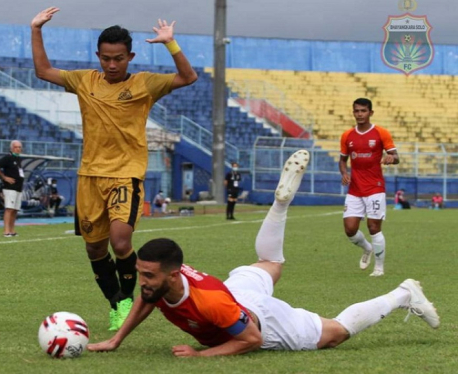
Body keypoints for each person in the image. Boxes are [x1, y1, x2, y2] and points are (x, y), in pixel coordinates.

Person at [88, 150, 439, 357]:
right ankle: (280, 205)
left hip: (258, 317)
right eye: (142, 273)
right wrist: (116, 340)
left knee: (335, 333)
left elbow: (252, 340)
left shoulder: (210, 303)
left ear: (174, 274)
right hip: (234, 290)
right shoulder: (162, 281)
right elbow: (148, 300)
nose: (141, 282)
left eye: (148, 276)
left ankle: (404, 292)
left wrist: (201, 354)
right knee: (271, 262)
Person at [31, 7, 197, 331]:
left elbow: (188, 77)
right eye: (106, 58)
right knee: (94, 247)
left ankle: (128, 298)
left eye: (118, 58)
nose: (111, 64)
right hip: (89, 176)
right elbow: (43, 70)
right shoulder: (84, 81)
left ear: (130, 56)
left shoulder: (145, 85)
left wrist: (171, 44)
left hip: (126, 173)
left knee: (121, 242)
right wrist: (36, 29)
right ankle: (117, 303)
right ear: (98, 55)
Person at [339, 98, 399, 277]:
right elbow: (343, 160)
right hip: (355, 189)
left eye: (363, 111)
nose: (359, 114)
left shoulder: (381, 133)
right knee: (350, 229)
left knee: (374, 227)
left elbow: (395, 156)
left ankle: (379, 268)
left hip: (375, 187)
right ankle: (367, 249)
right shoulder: (347, 135)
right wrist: (344, 173)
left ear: (370, 113)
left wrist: (391, 158)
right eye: (356, 111)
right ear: (353, 112)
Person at [0, 140, 25, 237]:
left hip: (18, 187)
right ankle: (6, 231)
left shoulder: (18, 159)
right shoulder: (7, 158)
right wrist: (4, 177)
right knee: (9, 208)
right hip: (10, 187)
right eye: (16, 147)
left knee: (15, 209)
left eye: (19, 147)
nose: (18, 149)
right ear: (11, 148)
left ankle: (12, 230)